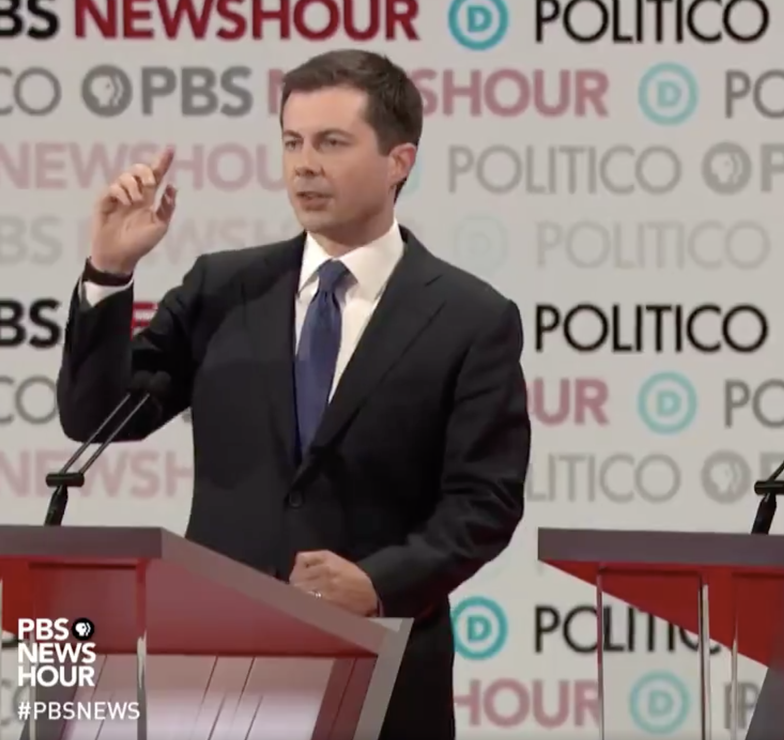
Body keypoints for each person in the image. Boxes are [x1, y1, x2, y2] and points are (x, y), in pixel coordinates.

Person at [56, 49, 531, 740]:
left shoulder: (471, 317)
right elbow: (96, 418)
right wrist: (109, 271)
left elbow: (485, 501)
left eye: (332, 143)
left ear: (399, 161)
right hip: (213, 666)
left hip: (382, 669)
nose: (304, 164)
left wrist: (378, 583)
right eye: (292, 142)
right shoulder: (222, 290)